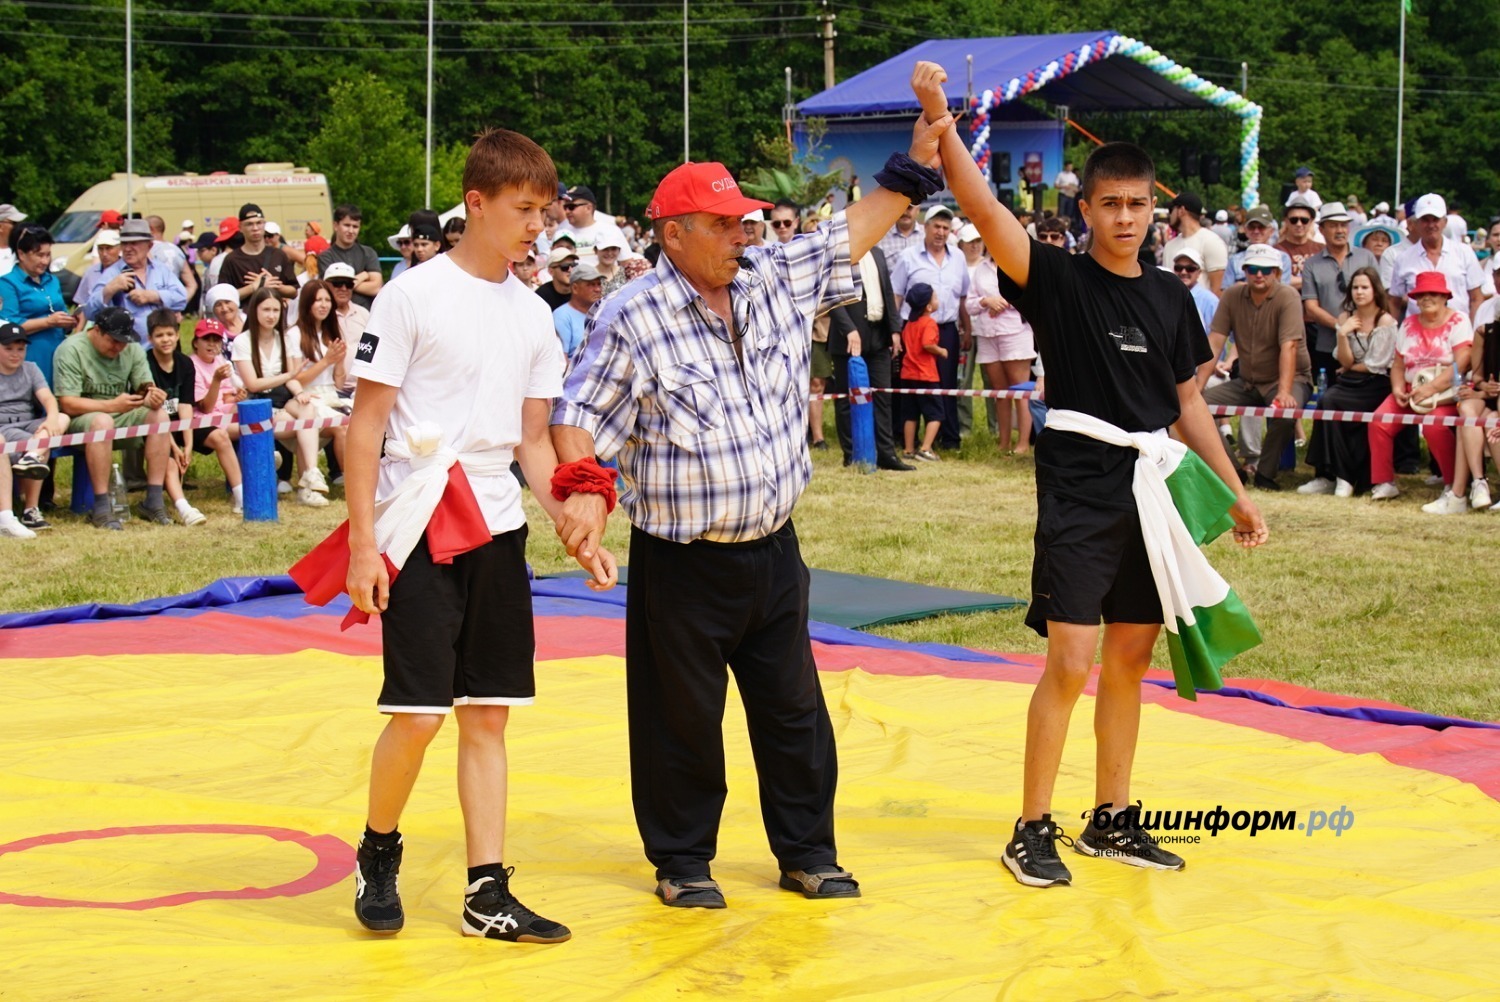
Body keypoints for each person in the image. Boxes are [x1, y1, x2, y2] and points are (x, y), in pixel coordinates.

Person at [549, 102, 956, 909]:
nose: (744, 234)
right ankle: (683, 863)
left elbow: (851, 233)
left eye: (746, 221)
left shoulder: (770, 275)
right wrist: (589, 498)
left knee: (795, 711)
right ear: (674, 234)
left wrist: (912, 166)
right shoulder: (633, 316)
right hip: (682, 562)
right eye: (725, 223)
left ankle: (809, 852)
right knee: (681, 722)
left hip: (774, 550)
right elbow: (577, 421)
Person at [908, 61, 1267, 888]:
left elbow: (1187, 403)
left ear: (1156, 209)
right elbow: (984, 208)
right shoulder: (1057, 279)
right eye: (1110, 203)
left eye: (1139, 204)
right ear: (1086, 208)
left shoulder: (1176, 300)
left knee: (1130, 659)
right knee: (1071, 658)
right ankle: (1031, 826)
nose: (1127, 217)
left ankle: (1112, 817)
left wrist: (1236, 492)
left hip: (1153, 492)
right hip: (1078, 484)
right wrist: (942, 117)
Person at [342, 128, 614, 943]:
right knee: (420, 715)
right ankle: (378, 847)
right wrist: (363, 546)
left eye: (544, 210)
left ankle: (485, 889)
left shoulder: (533, 313)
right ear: (477, 204)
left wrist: (571, 520)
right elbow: (364, 430)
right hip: (421, 520)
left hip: (496, 526)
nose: (539, 225)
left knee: (488, 713)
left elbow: (533, 441)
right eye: (524, 209)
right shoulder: (410, 296)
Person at [1202, 244, 1312, 490]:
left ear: (1277, 273)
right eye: (1253, 269)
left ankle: (1266, 474)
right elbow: (1215, 340)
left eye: (1266, 270)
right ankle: (1232, 471)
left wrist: (1284, 392)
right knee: (1196, 410)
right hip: (1247, 380)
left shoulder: (1288, 296)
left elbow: (1289, 346)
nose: (1259, 274)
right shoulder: (1231, 295)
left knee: (1284, 414)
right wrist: (1196, 387)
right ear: (1244, 271)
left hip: (1291, 378)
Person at [53, 307, 174, 530]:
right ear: (97, 330)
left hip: (121, 414)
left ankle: (153, 499)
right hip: (80, 420)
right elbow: (68, 403)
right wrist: (111, 406)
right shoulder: (71, 349)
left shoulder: (133, 349)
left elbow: (144, 389)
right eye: (114, 341)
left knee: (159, 415)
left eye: (124, 342)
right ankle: (101, 507)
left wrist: (153, 397)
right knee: (102, 422)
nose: (119, 347)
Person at [1368, 271, 1470, 506]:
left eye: (1433, 293)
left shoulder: (1459, 321)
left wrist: (1431, 389)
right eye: (1421, 294)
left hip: (1446, 392)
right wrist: (1396, 389)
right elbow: (1398, 363)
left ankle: (1452, 485)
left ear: (1445, 297)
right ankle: (1384, 482)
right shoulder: (1408, 323)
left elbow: (1462, 362)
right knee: (1379, 421)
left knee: (1435, 426)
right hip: (1410, 387)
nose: (1426, 298)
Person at [230, 287, 335, 507]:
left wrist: (299, 392)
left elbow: (292, 379)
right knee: (303, 424)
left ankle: (311, 474)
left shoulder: (285, 339)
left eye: (276, 310)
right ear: (254, 311)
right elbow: (253, 384)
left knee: (308, 409)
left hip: (285, 400)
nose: (271, 315)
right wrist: (288, 376)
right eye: (266, 309)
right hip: (258, 405)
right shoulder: (242, 341)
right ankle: (306, 483)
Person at [1298, 267, 1398, 497]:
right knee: (1327, 401)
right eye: (1355, 287)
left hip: (1376, 382)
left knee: (1333, 401)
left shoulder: (1385, 321)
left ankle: (1343, 476)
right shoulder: (1345, 318)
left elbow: (1375, 363)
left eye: (1365, 287)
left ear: (1375, 290)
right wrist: (1343, 335)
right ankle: (1329, 475)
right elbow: (1343, 359)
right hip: (1351, 380)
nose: (1359, 292)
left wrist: (1349, 366)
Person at [891, 204, 971, 450]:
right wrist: (895, 331)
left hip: (946, 329)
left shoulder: (958, 257)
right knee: (911, 383)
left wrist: (966, 329)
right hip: (914, 330)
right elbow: (896, 296)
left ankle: (947, 438)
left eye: (946, 228)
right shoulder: (908, 257)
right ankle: (906, 439)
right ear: (925, 227)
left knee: (945, 384)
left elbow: (962, 297)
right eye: (936, 226)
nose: (941, 232)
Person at [826, 242, 911, 470]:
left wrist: (894, 329)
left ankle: (886, 454)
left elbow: (887, 292)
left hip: (879, 336)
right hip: (848, 338)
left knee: (883, 397)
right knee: (846, 399)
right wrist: (848, 329)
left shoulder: (878, 252)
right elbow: (831, 296)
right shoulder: (839, 254)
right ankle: (852, 455)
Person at [964, 223, 1035, 454]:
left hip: (1015, 333)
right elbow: (970, 304)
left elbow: (1031, 297)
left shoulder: (1019, 264)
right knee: (999, 392)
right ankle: (1003, 442)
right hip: (986, 335)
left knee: (1020, 391)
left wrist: (1002, 302)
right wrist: (986, 301)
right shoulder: (981, 269)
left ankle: (1023, 443)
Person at [0, 321, 69, 536]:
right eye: (9, 348)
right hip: (3, 427)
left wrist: (51, 417)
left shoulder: (31, 368)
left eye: (20, 349)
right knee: (42, 444)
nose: (15, 354)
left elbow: (48, 398)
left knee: (62, 418)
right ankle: (27, 510)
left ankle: (31, 456)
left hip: (28, 425)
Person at [143, 309, 208, 526]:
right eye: (159, 335)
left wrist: (187, 444)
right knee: (169, 462)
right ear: (150, 338)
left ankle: (240, 495)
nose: (165, 340)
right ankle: (184, 508)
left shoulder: (185, 364)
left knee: (220, 437)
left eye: (170, 334)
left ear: (178, 335)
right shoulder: (145, 364)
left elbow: (186, 405)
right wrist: (174, 448)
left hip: (179, 424)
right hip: (153, 425)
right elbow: (156, 412)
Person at [1301, 202, 1378, 387]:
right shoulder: (1312, 264)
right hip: (1328, 343)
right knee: (1328, 398)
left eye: (1343, 225)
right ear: (1322, 229)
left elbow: (1378, 297)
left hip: (1365, 342)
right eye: (1333, 225)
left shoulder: (1366, 257)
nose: (1340, 230)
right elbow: (1311, 307)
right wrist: (1340, 326)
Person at [0, 223, 79, 387]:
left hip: (58, 352)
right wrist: (49, 322)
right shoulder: (7, 283)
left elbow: (61, 312)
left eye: (48, 255)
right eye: (39, 255)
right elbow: (9, 326)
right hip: (30, 355)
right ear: (21, 254)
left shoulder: (52, 280)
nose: (45, 261)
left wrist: (70, 321)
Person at [84, 219, 189, 343]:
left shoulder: (160, 269)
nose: (128, 249)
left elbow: (182, 299)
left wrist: (153, 296)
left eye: (134, 243)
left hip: (162, 349)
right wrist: (109, 290)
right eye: (124, 244)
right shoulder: (112, 274)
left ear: (149, 246)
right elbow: (90, 312)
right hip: (128, 351)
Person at [1388, 194, 1485, 320]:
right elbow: (1394, 301)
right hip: (1417, 334)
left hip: (1458, 332)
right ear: (1416, 223)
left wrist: (1472, 333)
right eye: (1425, 220)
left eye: (1435, 219)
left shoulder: (1464, 253)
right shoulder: (1403, 258)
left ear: (1445, 222)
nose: (1431, 225)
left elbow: (1476, 298)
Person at [184, 318, 246, 514]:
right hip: (201, 421)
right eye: (206, 339)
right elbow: (205, 406)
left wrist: (236, 397)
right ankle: (240, 496)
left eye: (216, 339)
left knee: (256, 421)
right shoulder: (191, 365)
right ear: (195, 342)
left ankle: (263, 461)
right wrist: (217, 381)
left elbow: (225, 397)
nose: (212, 344)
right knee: (225, 436)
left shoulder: (220, 361)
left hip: (222, 415)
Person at [898, 282, 946, 461]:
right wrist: (941, 351)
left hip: (907, 374)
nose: (937, 300)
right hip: (926, 375)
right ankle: (925, 449)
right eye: (935, 297)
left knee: (910, 414)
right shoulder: (929, 323)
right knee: (936, 413)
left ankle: (908, 449)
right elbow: (927, 344)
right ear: (928, 306)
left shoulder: (909, 324)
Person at [217, 204, 299, 303]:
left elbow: (294, 292)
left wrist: (275, 286)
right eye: (249, 224)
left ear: (264, 224)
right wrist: (253, 287)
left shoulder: (278, 255)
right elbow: (223, 297)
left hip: (274, 315)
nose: (255, 228)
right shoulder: (231, 260)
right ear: (240, 227)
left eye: (259, 223)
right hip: (245, 317)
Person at [319, 205, 384, 309]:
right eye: (346, 225)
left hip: (366, 314)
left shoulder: (368, 253)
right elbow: (332, 289)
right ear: (335, 225)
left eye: (355, 226)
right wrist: (364, 275)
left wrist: (342, 283)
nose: (351, 231)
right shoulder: (325, 257)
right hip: (336, 314)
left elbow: (376, 288)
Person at [1162, 192, 1227, 295]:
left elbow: (1217, 291)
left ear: (1181, 211)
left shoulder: (1211, 242)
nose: (1170, 215)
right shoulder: (1169, 246)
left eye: (1171, 210)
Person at [556, 184, 629, 264]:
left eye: (571, 207)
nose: (567, 211)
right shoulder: (561, 231)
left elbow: (627, 263)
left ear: (588, 208)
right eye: (565, 207)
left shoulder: (611, 231)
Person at [552, 262, 603, 361]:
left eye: (599, 284)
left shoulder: (602, 311)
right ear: (575, 288)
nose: (597, 289)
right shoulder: (561, 316)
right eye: (591, 285)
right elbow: (562, 360)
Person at [73, 229, 123, 310]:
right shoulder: (91, 272)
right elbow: (82, 304)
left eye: (109, 248)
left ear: (119, 248)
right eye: (100, 249)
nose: (104, 254)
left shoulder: (127, 270)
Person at [1353, 221, 1402, 290]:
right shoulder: (1355, 264)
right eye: (1375, 239)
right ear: (1364, 244)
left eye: (1384, 241)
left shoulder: (1396, 266)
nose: (1379, 244)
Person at [536, 245, 576, 311]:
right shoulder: (541, 296)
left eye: (573, 265)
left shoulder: (582, 291)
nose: (570, 270)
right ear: (551, 271)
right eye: (565, 267)